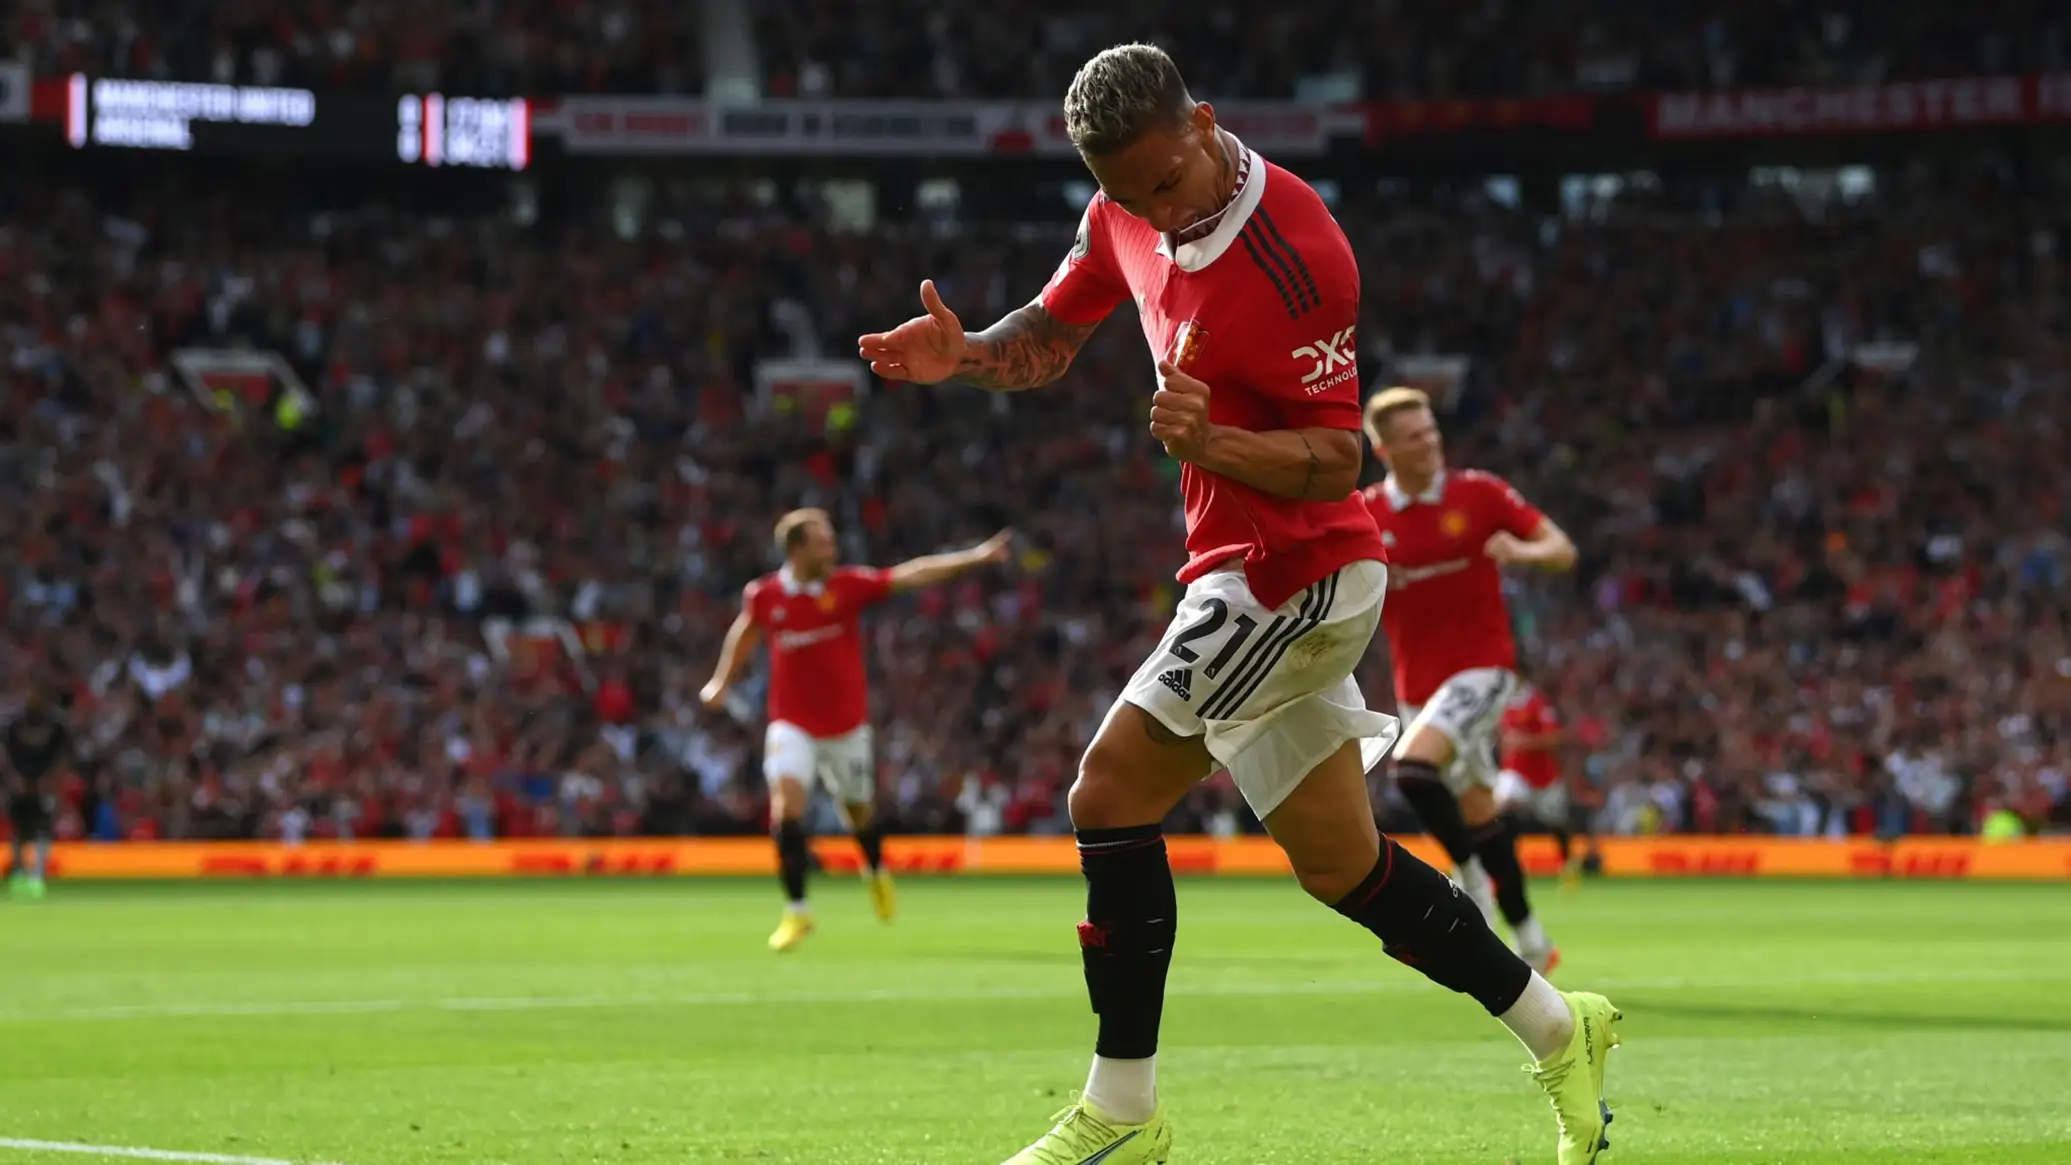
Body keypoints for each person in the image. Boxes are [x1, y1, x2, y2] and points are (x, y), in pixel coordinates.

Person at [859, 43, 1621, 1165]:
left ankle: (1122, 1108)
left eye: (1167, 181)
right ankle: (1561, 1027)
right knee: (1342, 864)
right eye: (1130, 194)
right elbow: (1052, 337)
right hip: (1243, 565)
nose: (1157, 211)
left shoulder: (1299, 253)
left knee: (1108, 790)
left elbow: (1332, 459)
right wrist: (966, 355)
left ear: (1205, 123)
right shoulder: (1123, 211)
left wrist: (1209, 440)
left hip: (1294, 571)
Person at [700, 508, 1012, 952]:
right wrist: (721, 681)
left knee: (858, 815)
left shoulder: (846, 586)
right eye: (823, 541)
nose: (833, 548)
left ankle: (874, 868)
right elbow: (745, 632)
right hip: (791, 722)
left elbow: (912, 573)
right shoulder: (765, 595)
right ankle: (797, 911)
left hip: (845, 728)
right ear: (797, 549)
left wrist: (976, 557)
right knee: (786, 809)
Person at [1359, 386, 1577, 975]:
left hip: (1484, 668)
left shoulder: (1480, 493)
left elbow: (1561, 548)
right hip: (1417, 688)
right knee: (1480, 813)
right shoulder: (1367, 513)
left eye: (1431, 430)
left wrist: (1522, 554)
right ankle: (1533, 939)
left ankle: (1469, 881)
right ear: (1384, 449)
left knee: (1412, 769)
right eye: (1414, 436)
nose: (1430, 442)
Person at [1496, 677, 1585, 889]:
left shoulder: (1537, 703)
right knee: (1503, 809)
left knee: (1555, 822)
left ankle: (1568, 863)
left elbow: (1555, 737)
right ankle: (1505, 869)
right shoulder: (1503, 701)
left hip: (1543, 777)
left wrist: (1525, 742)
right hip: (1515, 771)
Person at [5, 687, 71, 899]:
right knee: (19, 831)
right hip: (20, 786)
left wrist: (51, 782)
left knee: (42, 829)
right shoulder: (15, 726)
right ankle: (18, 872)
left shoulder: (56, 728)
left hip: (45, 785)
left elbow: (61, 758)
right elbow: (6, 755)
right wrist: (13, 779)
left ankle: (37, 876)